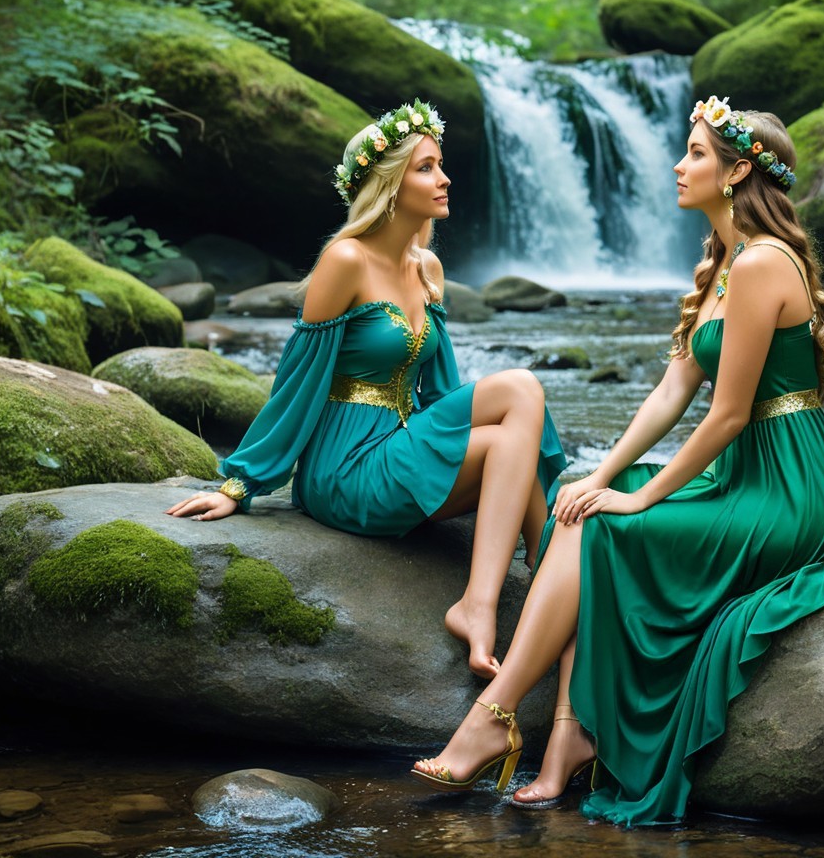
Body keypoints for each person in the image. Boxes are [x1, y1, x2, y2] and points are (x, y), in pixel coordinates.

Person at [410, 98, 824, 826]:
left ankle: (496, 720)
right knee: (578, 502)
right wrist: (602, 476)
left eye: (695, 152)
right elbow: (672, 391)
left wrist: (640, 496)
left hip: (792, 490)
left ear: (738, 171)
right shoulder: (725, 261)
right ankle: (558, 736)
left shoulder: (760, 263)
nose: (678, 164)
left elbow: (726, 416)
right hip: (749, 473)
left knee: (608, 523)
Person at [166, 100, 566, 680]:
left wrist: (458, 449)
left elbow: (442, 388)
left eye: (441, 165)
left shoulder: (427, 266)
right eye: (426, 167)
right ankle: (514, 585)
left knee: (513, 441)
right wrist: (240, 483)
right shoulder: (344, 260)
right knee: (522, 388)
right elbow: (297, 382)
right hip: (346, 467)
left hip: (401, 444)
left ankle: (536, 576)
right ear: (388, 183)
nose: (445, 178)